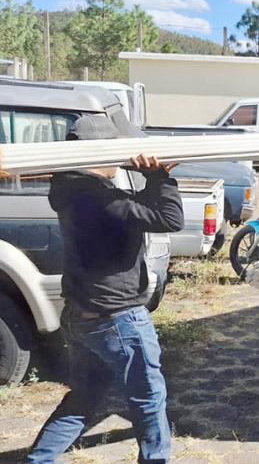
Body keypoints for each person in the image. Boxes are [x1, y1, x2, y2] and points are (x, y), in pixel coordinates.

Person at [28, 115, 184, 463]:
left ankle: (38, 460)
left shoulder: (72, 191)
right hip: (116, 319)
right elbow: (169, 219)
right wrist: (161, 178)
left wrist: (154, 180)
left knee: (85, 395)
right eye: (117, 150)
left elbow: (137, 211)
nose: (121, 158)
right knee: (148, 400)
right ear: (97, 152)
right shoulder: (99, 198)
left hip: (83, 316)